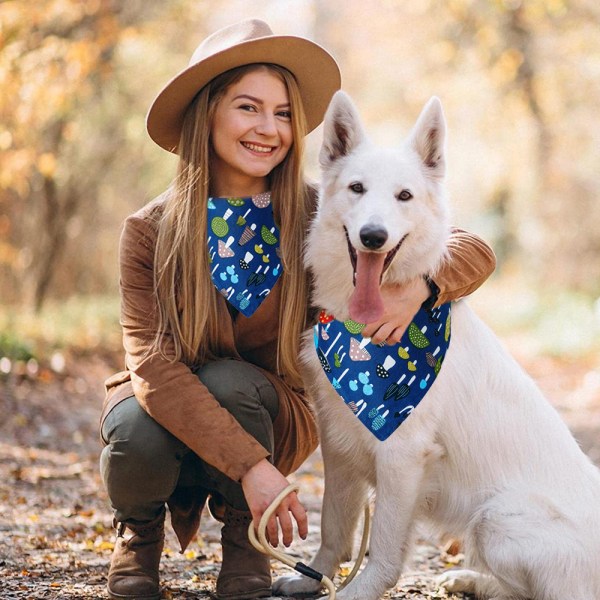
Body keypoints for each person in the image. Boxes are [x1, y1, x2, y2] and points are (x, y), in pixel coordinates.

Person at [99, 18, 496, 600]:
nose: (269, 128)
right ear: (206, 113)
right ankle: (138, 539)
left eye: (283, 113)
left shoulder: (326, 206)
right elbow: (154, 370)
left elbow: (469, 247)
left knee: (234, 381)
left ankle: (246, 545)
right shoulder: (148, 232)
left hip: (269, 410)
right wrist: (253, 467)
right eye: (248, 108)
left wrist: (424, 286)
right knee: (133, 419)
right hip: (171, 419)